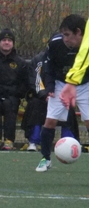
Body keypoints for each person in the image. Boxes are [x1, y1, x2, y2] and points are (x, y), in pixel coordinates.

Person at [36, 14, 87, 172]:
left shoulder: (87, 44)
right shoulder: (55, 44)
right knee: (50, 121)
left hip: (85, 85)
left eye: (67, 35)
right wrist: (50, 87)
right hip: (61, 84)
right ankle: (45, 158)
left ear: (79, 32)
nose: (65, 39)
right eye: (63, 34)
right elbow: (47, 66)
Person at [21, 50, 78, 152]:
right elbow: (35, 80)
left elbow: (70, 79)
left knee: (68, 107)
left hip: (61, 97)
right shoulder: (38, 60)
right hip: (41, 98)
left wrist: (62, 96)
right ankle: (34, 141)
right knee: (35, 105)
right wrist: (44, 95)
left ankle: (68, 142)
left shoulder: (67, 59)